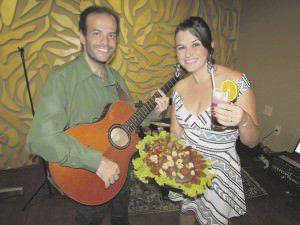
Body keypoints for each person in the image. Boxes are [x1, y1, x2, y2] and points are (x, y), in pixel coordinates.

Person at [25, 6, 169, 225]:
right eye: (97, 33)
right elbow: (41, 139)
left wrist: (154, 112)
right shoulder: (61, 79)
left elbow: (127, 119)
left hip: (121, 165)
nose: (106, 42)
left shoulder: (117, 78)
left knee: (121, 217)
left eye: (112, 35)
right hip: (86, 174)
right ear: (82, 36)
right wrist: (96, 162)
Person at [169, 16, 261, 225]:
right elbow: (176, 133)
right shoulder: (179, 87)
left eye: (195, 44)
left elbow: (253, 142)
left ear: (210, 46)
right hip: (188, 165)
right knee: (187, 212)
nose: (188, 53)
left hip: (219, 172)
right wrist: (170, 162)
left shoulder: (235, 82)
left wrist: (243, 119)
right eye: (181, 47)